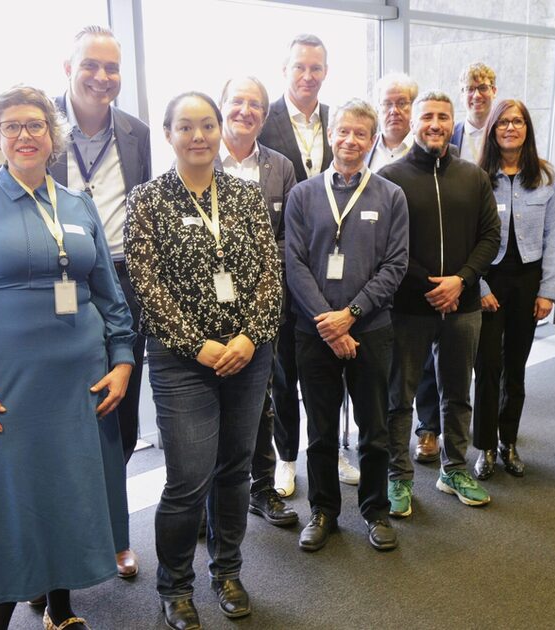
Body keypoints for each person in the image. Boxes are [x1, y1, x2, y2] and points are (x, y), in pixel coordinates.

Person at [0, 85, 135, 630]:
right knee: (11, 507)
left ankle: (60, 612)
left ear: (53, 135)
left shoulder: (78, 204)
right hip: (5, 387)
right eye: (12, 126)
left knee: (64, 495)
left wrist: (122, 359)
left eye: (36, 125)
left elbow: (109, 292)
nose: (24, 135)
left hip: (81, 383)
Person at [0, 25, 150, 580]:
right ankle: (53, 545)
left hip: (119, 280)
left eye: (112, 67)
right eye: (91, 66)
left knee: (116, 417)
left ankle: (110, 532)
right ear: (68, 68)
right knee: (54, 428)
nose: (102, 77)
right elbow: (2, 203)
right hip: (52, 283)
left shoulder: (136, 133)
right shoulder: (35, 127)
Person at [125, 92, 282, 628]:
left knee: (234, 470)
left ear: (219, 131)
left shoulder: (245, 196)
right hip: (182, 360)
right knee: (188, 479)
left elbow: (269, 275)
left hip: (247, 355)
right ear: (168, 134)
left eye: (208, 125)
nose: (199, 136)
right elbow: (146, 286)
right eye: (186, 126)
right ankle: (174, 586)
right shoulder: (147, 200)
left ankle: (228, 572)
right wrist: (198, 344)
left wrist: (250, 338)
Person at [285, 99, 409, 552]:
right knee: (319, 431)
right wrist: (329, 323)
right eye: (343, 131)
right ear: (329, 135)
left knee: (374, 429)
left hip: (371, 329)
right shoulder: (303, 194)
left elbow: (395, 265)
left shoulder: (391, 196)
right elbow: (295, 263)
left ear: (372, 140)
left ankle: (375, 511)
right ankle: (323, 511)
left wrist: (350, 316)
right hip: (313, 331)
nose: (351, 140)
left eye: (360, 133)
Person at [380, 91, 500, 517]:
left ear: (453, 123)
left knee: (457, 394)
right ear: (413, 123)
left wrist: (461, 281)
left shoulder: (473, 176)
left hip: (463, 306)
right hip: (409, 307)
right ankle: (398, 475)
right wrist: (432, 285)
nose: (435, 124)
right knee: (399, 397)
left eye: (443, 117)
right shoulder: (390, 177)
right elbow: (387, 246)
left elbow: (491, 237)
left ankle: (454, 470)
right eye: (427, 116)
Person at [257, 33, 359, 496]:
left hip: (334, 267)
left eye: (316, 68)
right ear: (285, 70)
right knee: (284, 372)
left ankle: (331, 448)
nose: (308, 75)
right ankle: (286, 456)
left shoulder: (337, 120)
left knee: (328, 368)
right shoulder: (266, 122)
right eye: (299, 67)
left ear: (325, 72)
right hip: (286, 264)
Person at [216, 75, 299, 527]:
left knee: (262, 400)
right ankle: (209, 500)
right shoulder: (201, 158)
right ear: (222, 106)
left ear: (265, 117)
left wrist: (261, 274)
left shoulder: (280, 167)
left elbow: (289, 236)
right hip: (209, 306)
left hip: (263, 304)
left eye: (255, 105)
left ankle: (262, 489)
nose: (245, 111)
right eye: (237, 101)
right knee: (211, 406)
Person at [471, 99, 555, 480]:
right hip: (488, 282)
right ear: (493, 130)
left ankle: (508, 441)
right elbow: (467, 239)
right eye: (503, 122)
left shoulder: (546, 177)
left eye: (518, 121)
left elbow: (554, 237)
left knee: (516, 368)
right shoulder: (477, 176)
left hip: (528, 282)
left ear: (527, 128)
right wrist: (479, 287)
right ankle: (485, 446)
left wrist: (548, 291)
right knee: (487, 367)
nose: (511, 128)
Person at [367, 72, 442, 465]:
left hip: (420, 279)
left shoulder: (434, 153)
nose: (395, 110)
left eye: (402, 103)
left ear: (414, 111)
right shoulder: (363, 150)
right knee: (384, 363)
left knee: (424, 362)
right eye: (387, 103)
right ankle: (381, 432)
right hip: (374, 279)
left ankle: (427, 428)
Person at [451, 62, 498, 164]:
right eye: (470, 89)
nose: (476, 95)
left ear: (494, 91)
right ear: (462, 95)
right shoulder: (450, 135)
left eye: (483, 88)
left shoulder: (503, 133)